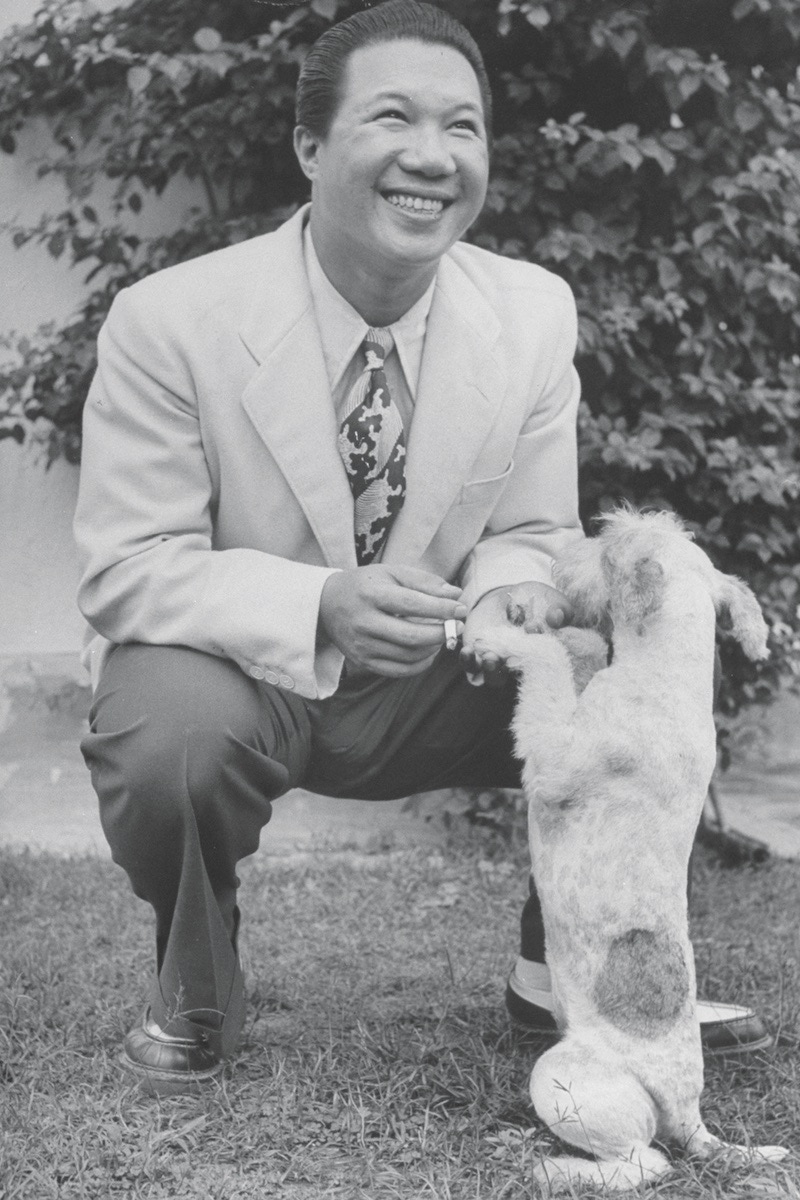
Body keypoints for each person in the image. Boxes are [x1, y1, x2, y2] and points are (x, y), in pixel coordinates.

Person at [74, 0, 769, 1093]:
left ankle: (571, 975)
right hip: (241, 673)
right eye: (392, 118)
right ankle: (194, 978)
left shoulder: (533, 311)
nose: (431, 158)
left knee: (621, 664)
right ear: (309, 147)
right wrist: (320, 603)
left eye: (463, 127)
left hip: (434, 667)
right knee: (171, 739)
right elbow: (127, 566)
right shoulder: (169, 319)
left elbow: (530, 532)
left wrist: (509, 600)